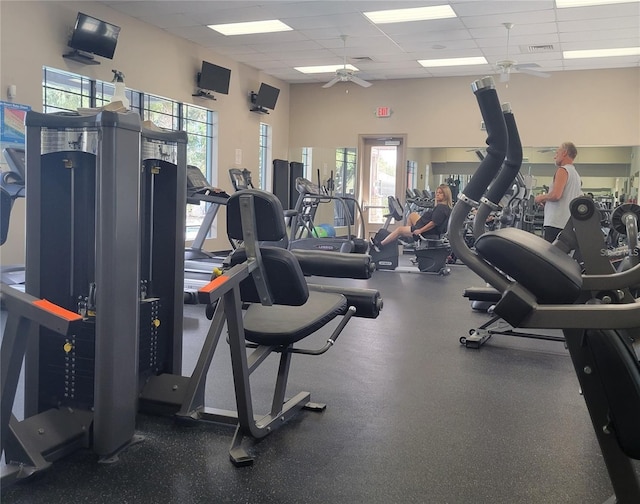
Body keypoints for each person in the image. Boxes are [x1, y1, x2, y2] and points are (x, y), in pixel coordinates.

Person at [371, 184, 453, 251]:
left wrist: (420, 230)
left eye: (440, 193)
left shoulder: (441, 208)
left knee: (399, 230)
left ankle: (380, 245)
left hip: (427, 231)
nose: (437, 194)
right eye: (437, 192)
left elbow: (433, 223)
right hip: (426, 226)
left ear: (445, 195)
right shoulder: (444, 207)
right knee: (412, 215)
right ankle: (408, 239)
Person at [534, 142, 582, 242]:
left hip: (555, 224)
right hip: (566, 224)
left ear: (564, 153)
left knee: (549, 256)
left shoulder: (563, 170)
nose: (554, 157)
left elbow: (556, 195)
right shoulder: (576, 175)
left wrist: (540, 198)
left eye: (557, 153)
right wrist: (548, 201)